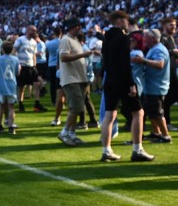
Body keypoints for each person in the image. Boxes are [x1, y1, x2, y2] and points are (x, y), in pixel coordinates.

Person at [99, 11, 153, 163]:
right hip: (122, 80)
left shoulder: (106, 38)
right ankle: (137, 149)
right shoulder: (123, 38)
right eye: (125, 20)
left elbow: (107, 61)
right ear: (118, 21)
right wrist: (131, 84)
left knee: (109, 115)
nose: (128, 23)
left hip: (109, 79)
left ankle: (106, 150)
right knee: (138, 112)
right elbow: (124, 63)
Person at [58, 18, 95, 146]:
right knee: (76, 107)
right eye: (78, 26)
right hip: (71, 79)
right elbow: (63, 57)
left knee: (77, 107)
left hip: (79, 78)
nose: (80, 28)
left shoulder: (75, 40)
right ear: (74, 27)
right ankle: (64, 132)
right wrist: (83, 55)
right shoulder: (66, 40)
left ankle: (72, 134)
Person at [136, 29, 172, 143]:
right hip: (151, 86)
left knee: (157, 113)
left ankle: (166, 136)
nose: (144, 39)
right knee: (151, 112)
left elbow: (160, 64)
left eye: (146, 37)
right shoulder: (154, 49)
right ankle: (156, 133)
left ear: (154, 38)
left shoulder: (159, 50)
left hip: (157, 87)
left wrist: (143, 61)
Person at [0, 39, 19, 134]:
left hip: (1, 85)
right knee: (11, 107)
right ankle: (11, 127)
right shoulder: (15, 59)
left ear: (2, 49)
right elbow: (17, 72)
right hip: (12, 85)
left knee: (1, 106)